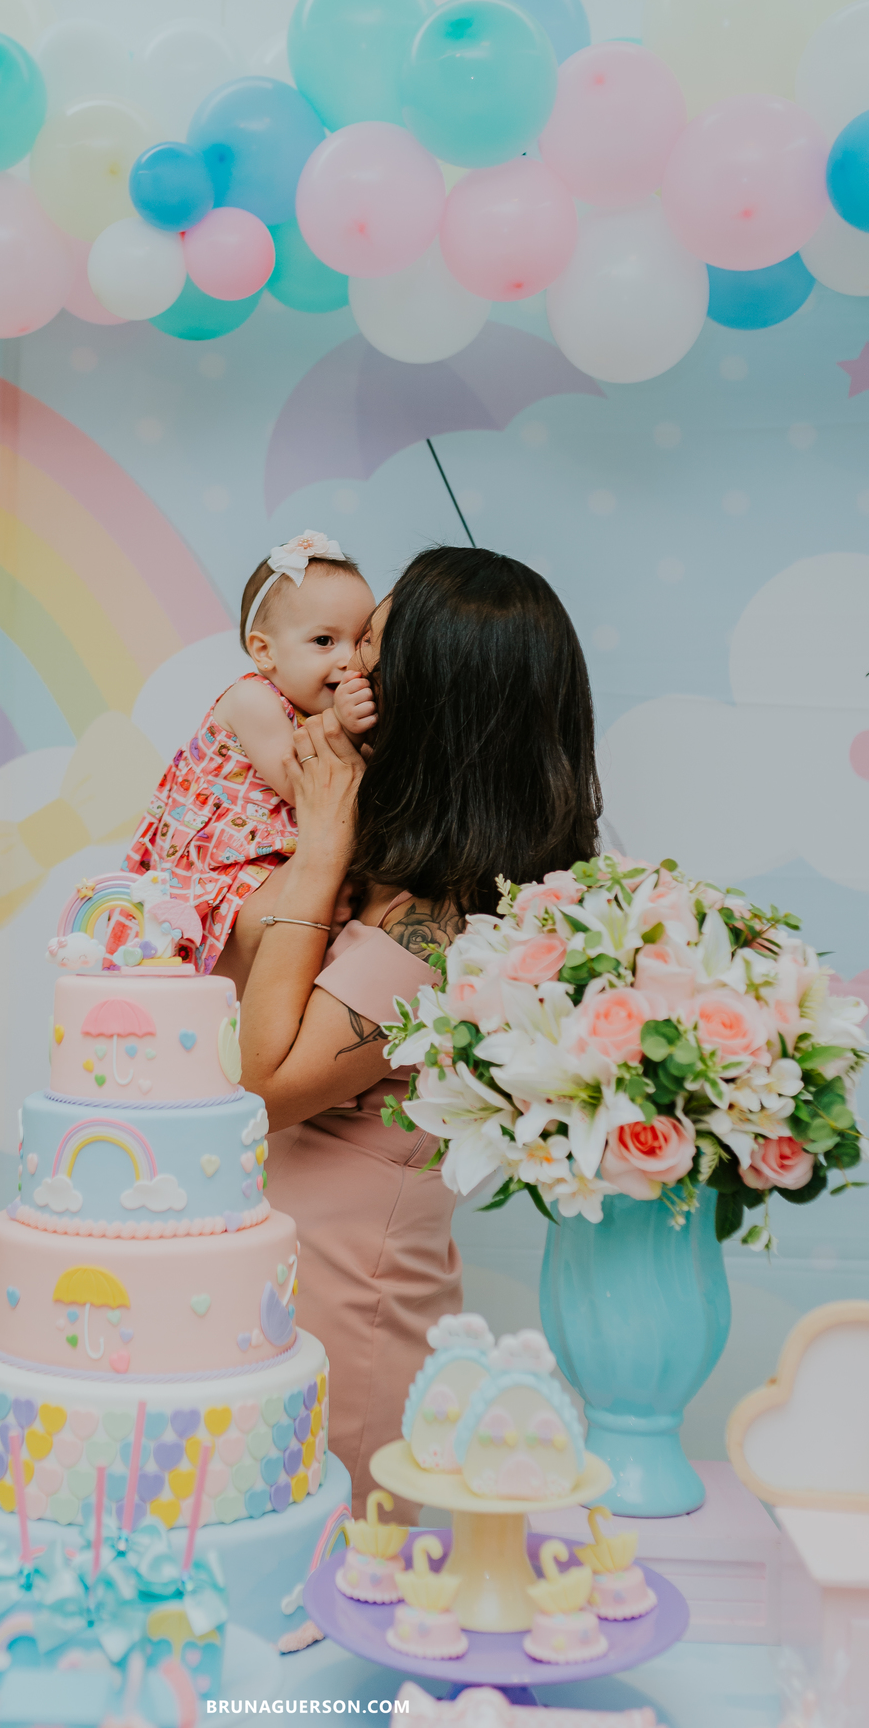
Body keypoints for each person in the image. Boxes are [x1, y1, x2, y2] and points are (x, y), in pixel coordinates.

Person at [219, 546, 602, 1513]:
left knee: (345, 1586)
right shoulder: (396, 866)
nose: (347, 672)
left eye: (374, 652)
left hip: (345, 1299)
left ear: (432, 701)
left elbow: (255, 1090)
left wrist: (318, 852)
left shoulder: (447, 920)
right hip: (271, 1268)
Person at [124, 531, 376, 971]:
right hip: (221, 861)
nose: (347, 660)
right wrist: (345, 726)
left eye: (360, 642)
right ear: (264, 651)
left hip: (280, 853)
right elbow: (302, 787)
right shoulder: (253, 701)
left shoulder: (312, 706)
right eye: (324, 641)